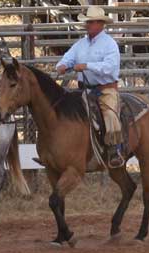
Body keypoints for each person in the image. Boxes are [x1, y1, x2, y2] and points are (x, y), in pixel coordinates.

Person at [56, 5, 124, 168]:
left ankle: (115, 150)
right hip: (83, 90)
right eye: (87, 22)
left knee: (109, 114)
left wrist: (87, 66)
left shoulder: (110, 44)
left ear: (101, 24)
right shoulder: (80, 44)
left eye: (91, 22)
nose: (88, 25)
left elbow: (109, 67)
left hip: (105, 90)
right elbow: (68, 58)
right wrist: (62, 65)